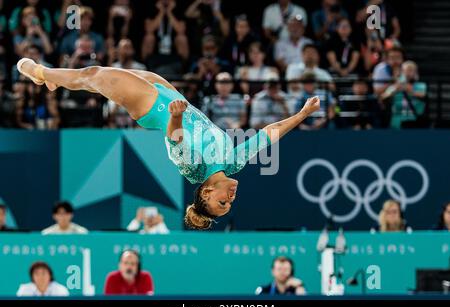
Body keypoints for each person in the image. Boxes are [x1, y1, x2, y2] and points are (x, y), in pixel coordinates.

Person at [16, 56, 320, 230]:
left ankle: (39, 73)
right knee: (99, 74)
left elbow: (175, 139)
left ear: (207, 192)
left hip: (154, 108)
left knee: (94, 75)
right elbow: (271, 132)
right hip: (174, 96)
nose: (231, 198)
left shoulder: (194, 169)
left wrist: (175, 117)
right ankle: (57, 79)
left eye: (222, 203)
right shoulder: (234, 162)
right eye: (230, 204)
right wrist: (303, 113)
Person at [142, 0, 189, 75]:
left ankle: (183, 67)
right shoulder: (153, 10)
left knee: (182, 38)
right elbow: (149, 29)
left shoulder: (177, 10)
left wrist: (169, 12)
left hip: (173, 49)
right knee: (149, 37)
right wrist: (161, 12)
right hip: (156, 48)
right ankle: (146, 66)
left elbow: (180, 30)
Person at [381, 60, 427, 129]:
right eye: (406, 70)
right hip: (397, 121)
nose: (408, 73)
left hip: (414, 120)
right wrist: (394, 91)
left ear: (416, 73)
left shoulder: (421, 86)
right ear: (402, 72)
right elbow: (383, 98)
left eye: (411, 70)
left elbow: (424, 96)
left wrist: (411, 91)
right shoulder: (395, 86)